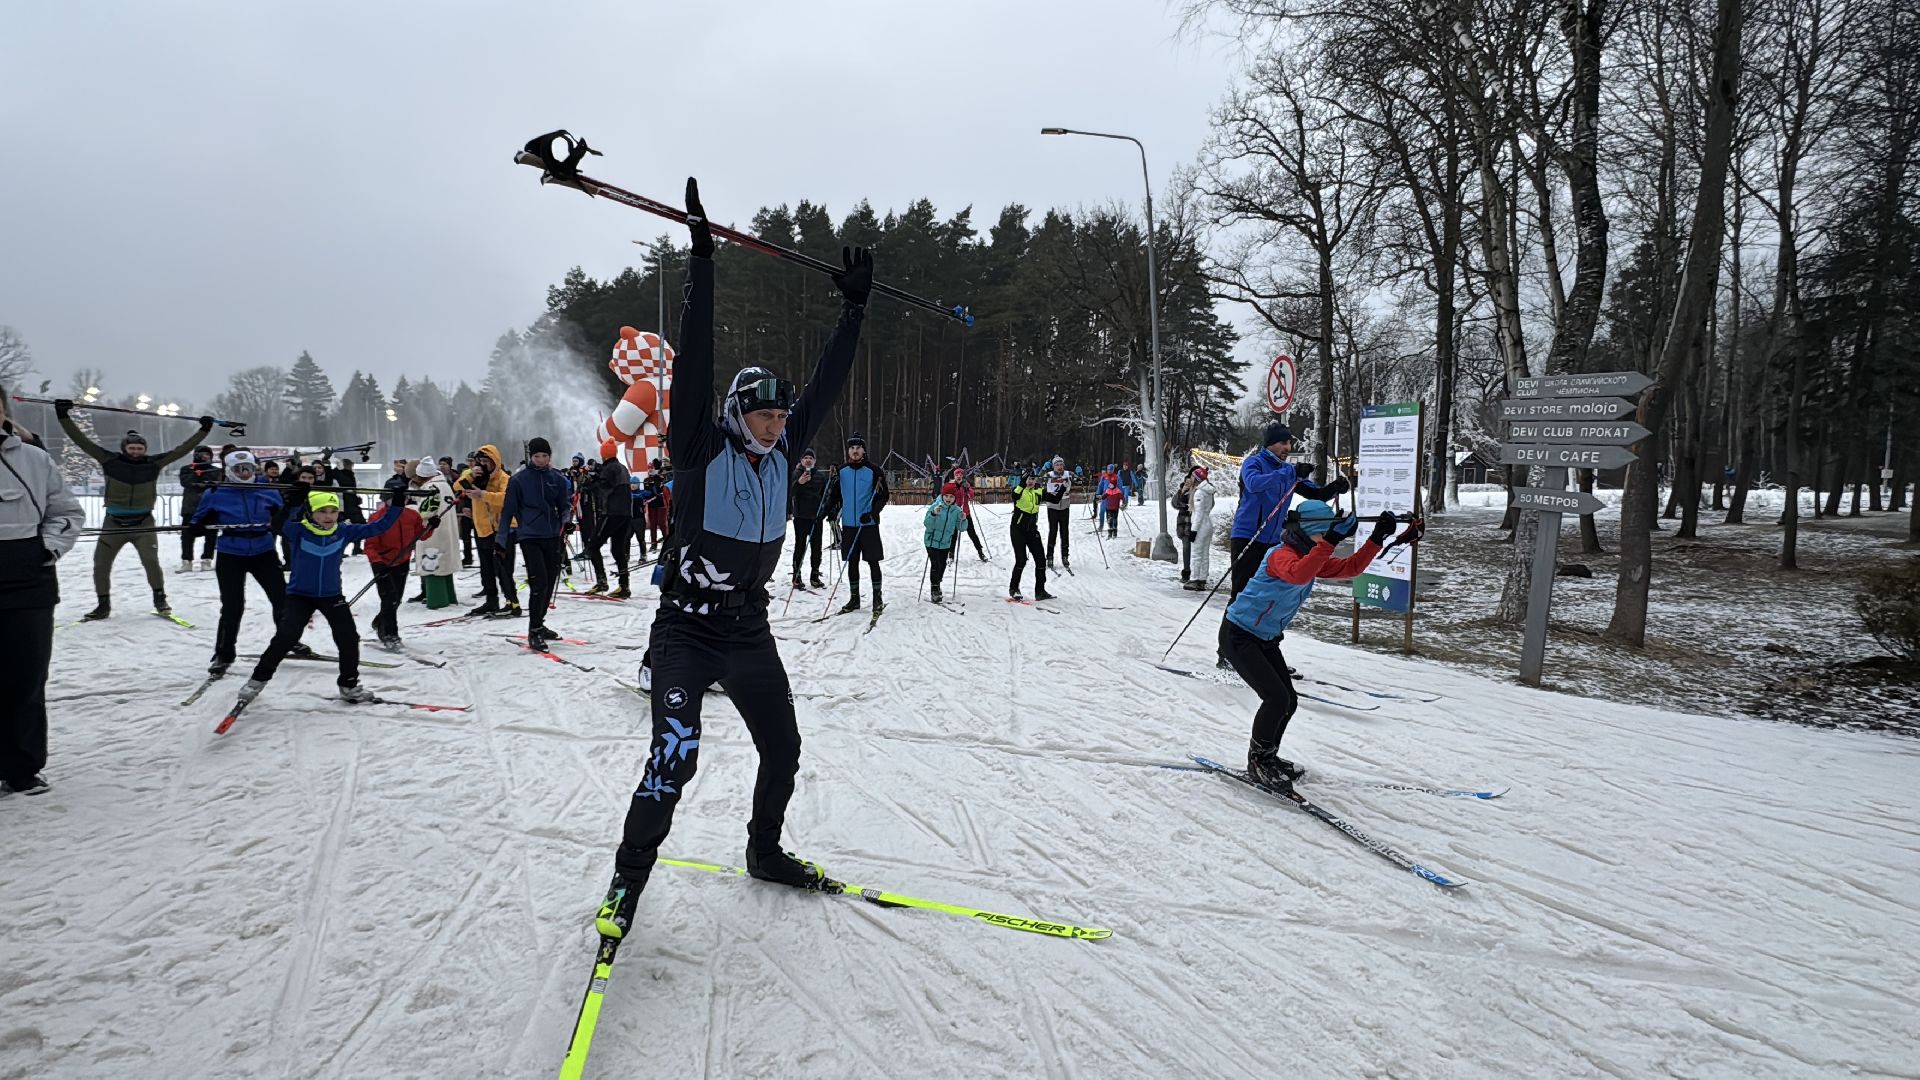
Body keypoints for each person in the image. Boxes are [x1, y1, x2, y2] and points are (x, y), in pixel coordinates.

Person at [596, 178, 872, 944]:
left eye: (782, 415)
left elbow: (829, 381)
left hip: (747, 631)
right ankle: (626, 882)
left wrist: (853, 312)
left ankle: (764, 851)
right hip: (685, 632)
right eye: (764, 414)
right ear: (736, 412)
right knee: (673, 759)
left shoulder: (785, 450)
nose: (776, 425)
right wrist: (703, 262)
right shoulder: (699, 447)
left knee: (783, 748)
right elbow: (696, 361)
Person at [1221, 503, 1406, 788]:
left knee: (1289, 701)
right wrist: (1331, 540)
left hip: (1265, 638)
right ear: (1305, 532)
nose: (1325, 541)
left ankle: (1268, 757)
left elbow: (1351, 568)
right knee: (1276, 699)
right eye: (1322, 534)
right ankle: (1258, 762)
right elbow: (1298, 574)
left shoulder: (1311, 557)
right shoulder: (1280, 555)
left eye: (1326, 535)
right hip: (1239, 635)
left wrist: (1376, 538)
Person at [227, 490, 405, 716]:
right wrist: (293, 502)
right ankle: (257, 681)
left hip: (331, 596)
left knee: (349, 639)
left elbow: (380, 527)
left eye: (333, 511)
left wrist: (397, 505)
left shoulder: (344, 531)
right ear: (311, 513)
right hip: (299, 596)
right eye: (322, 511)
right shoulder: (298, 530)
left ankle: (349, 685)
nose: (328, 516)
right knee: (286, 636)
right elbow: (278, 524)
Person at [0, 388, 85, 797]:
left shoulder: (34, 460)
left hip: (29, 586)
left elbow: (66, 512)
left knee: (26, 679)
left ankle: (22, 767)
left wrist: (45, 549)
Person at [55, 402, 214, 619]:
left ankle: (160, 600)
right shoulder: (109, 460)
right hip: (113, 523)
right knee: (100, 564)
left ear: (145, 449)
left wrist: (204, 430)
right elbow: (81, 441)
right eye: (132, 448)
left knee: (151, 562)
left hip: (143, 524)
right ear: (125, 448)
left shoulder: (154, 464)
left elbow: (182, 450)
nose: (136, 452)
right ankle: (103, 604)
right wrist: (63, 416)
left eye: (140, 448)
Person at [190, 451, 311, 675]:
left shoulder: (267, 489)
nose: (244, 473)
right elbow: (198, 520)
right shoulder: (215, 492)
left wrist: (295, 502)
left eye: (248, 468)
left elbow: (284, 521)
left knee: (282, 599)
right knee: (232, 606)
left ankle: (288, 640)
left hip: (263, 550)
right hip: (230, 553)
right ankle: (224, 653)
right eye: (238, 469)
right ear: (229, 471)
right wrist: (197, 526)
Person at [1228, 423, 1346, 602]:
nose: (1288, 448)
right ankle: (1231, 622)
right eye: (1283, 443)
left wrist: (1335, 487)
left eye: (1290, 443)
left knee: (1268, 593)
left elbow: (1316, 494)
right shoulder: (1254, 462)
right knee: (1242, 593)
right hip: (1248, 537)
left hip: (1273, 541)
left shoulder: (1288, 470)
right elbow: (1254, 483)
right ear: (1270, 444)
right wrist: (1290, 473)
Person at [499, 436, 572, 649]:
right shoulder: (518, 480)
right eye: (537, 456)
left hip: (552, 535)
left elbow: (565, 505)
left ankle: (540, 621)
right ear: (531, 457)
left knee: (550, 581)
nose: (541, 460)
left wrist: (566, 521)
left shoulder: (557, 478)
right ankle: (534, 630)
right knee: (538, 582)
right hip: (529, 536)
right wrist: (501, 539)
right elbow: (508, 511)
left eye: (545, 456)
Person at [824, 433, 888, 613]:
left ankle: (877, 597)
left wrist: (872, 513)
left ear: (863, 451)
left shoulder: (874, 471)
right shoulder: (842, 471)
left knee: (873, 561)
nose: (855, 451)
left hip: (868, 525)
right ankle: (854, 598)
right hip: (849, 525)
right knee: (852, 562)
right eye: (852, 448)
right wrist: (828, 511)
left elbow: (883, 496)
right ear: (848, 451)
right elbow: (835, 496)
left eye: (858, 448)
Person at [363, 478, 428, 650]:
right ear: (386, 498)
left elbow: (421, 536)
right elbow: (370, 545)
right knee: (389, 598)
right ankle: (389, 633)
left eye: (404, 497)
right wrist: (377, 563)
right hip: (382, 563)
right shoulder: (377, 518)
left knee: (396, 599)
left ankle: (380, 621)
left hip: (402, 561)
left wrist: (431, 526)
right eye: (395, 497)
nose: (401, 500)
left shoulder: (412, 516)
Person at [465, 445, 517, 617]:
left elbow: (506, 498)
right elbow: (458, 487)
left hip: (501, 529)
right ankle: (491, 600)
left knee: (504, 569)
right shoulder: (477, 478)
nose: (483, 464)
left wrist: (483, 495)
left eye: (486, 461)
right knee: (486, 569)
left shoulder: (504, 478)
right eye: (480, 461)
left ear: (495, 461)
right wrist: (471, 475)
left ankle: (512, 602)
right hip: (482, 528)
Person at [587, 443, 636, 596]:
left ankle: (602, 581)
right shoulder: (622, 467)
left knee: (592, 546)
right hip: (625, 513)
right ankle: (624, 586)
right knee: (618, 549)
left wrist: (591, 483)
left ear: (604, 455)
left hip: (612, 512)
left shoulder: (609, 469)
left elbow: (603, 488)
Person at [411, 456, 459, 607]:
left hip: (433, 533)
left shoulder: (431, 489)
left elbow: (425, 513)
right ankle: (449, 597)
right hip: (446, 531)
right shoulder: (444, 485)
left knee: (433, 567)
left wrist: (410, 509)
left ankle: (437, 601)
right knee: (445, 567)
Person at [1007, 465, 1053, 602]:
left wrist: (1063, 486)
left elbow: (1055, 499)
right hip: (1018, 530)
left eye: (1033, 479)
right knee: (1021, 560)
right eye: (1028, 479)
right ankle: (1014, 588)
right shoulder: (1019, 489)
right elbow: (1014, 496)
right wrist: (1022, 482)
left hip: (1032, 530)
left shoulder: (1038, 490)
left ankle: (1040, 591)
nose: (1031, 481)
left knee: (1041, 560)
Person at [787, 448, 828, 589]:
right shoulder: (795, 474)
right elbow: (789, 493)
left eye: (811, 458)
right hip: (800, 517)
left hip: (816, 518)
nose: (808, 460)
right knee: (800, 547)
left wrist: (826, 511)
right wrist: (799, 483)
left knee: (816, 548)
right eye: (806, 458)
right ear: (801, 460)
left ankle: (815, 576)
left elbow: (826, 495)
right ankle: (796, 576)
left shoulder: (820, 476)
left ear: (815, 461)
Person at [177, 446, 221, 571]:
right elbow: (186, 482)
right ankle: (187, 561)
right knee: (187, 535)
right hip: (190, 508)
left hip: (210, 508)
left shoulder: (215, 470)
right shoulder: (187, 469)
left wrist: (203, 479)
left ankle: (207, 560)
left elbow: (215, 484)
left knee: (211, 535)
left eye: (207, 455)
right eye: (202, 455)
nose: (205, 457)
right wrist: (196, 474)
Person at [923, 482, 966, 604]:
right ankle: (934, 589)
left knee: (942, 565)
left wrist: (963, 519)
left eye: (951, 496)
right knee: (935, 565)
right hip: (931, 541)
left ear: (955, 498)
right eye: (946, 496)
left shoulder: (957, 510)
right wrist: (933, 514)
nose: (948, 499)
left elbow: (961, 528)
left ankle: (938, 582)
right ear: (942, 496)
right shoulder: (935, 507)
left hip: (945, 543)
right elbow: (927, 523)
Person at [1183, 466, 1216, 592]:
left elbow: (1199, 514)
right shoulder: (1208, 491)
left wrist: (1194, 530)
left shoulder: (1199, 493)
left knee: (1196, 554)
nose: (1191, 479)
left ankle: (1194, 579)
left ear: (1196, 479)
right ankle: (1202, 579)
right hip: (1208, 524)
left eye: (1193, 477)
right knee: (1205, 554)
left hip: (1201, 526)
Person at [947, 465, 989, 561]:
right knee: (953, 535)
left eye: (960, 475)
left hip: (965, 513)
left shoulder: (966, 485)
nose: (959, 476)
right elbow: (947, 497)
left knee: (972, 534)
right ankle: (951, 554)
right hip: (954, 514)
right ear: (954, 476)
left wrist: (968, 489)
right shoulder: (951, 485)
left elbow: (972, 496)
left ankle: (980, 552)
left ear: (962, 476)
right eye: (957, 475)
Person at [1041, 456, 1073, 571]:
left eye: (1061, 465)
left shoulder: (1068, 474)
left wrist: (1078, 478)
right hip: (1052, 507)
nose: (1059, 467)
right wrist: (1043, 471)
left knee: (1064, 532)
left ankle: (1065, 556)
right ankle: (1049, 556)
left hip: (1064, 506)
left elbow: (1079, 480)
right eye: (1057, 465)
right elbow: (1039, 481)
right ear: (1053, 466)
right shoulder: (1048, 475)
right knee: (1053, 531)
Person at [454, 453, 477, 568]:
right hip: (465, 506)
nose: (470, 463)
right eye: (469, 460)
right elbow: (459, 490)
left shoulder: (482, 473)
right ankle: (468, 557)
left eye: (472, 460)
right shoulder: (465, 473)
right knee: (465, 535)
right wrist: (462, 506)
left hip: (478, 506)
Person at [1099, 468, 1124, 539]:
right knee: (1109, 520)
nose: (1109, 485)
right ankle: (1110, 533)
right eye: (1109, 484)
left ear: (1114, 485)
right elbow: (1104, 497)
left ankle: (1115, 533)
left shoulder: (1118, 491)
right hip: (1109, 508)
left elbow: (1122, 497)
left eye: (1111, 484)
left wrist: (1124, 504)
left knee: (1115, 520)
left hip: (1115, 508)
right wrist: (1099, 498)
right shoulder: (1108, 491)